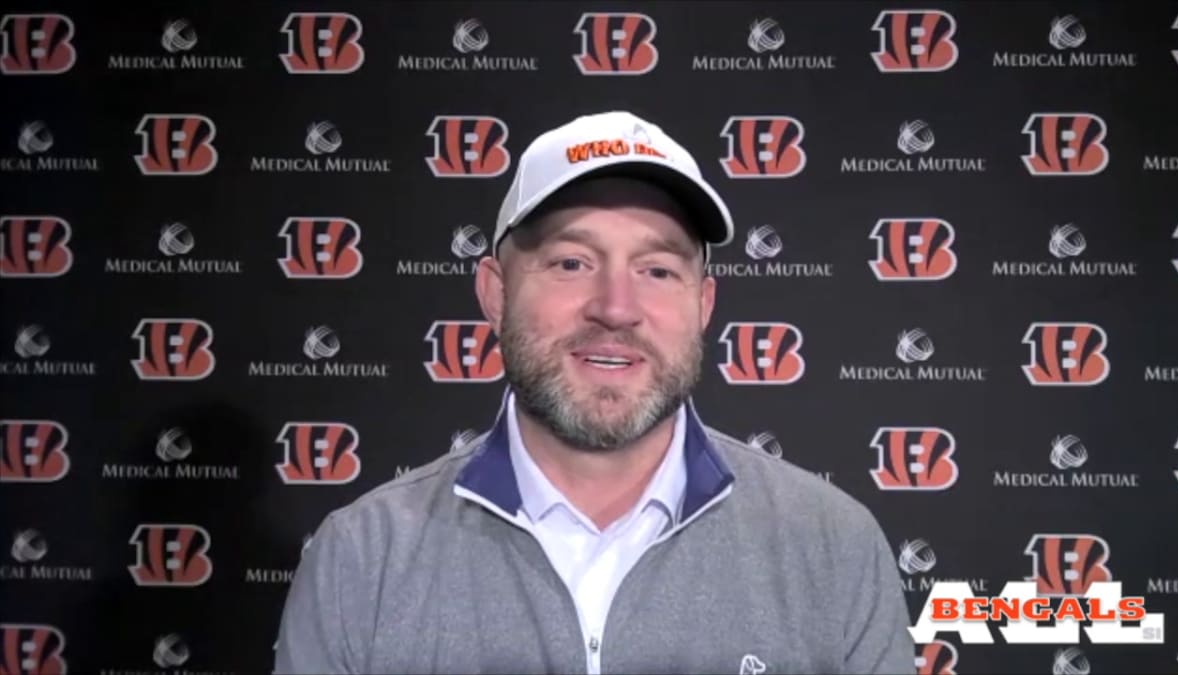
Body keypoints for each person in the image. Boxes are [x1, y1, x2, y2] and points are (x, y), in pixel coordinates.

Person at [274, 111, 915, 675]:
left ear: (704, 304)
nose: (616, 308)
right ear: (495, 293)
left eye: (657, 270)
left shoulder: (834, 546)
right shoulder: (361, 560)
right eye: (572, 263)